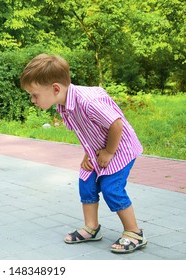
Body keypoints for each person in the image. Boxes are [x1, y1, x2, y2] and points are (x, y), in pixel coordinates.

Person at [20, 53, 147, 253]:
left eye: (34, 95)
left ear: (55, 89)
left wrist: (108, 152)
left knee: (111, 188)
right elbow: (87, 129)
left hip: (120, 149)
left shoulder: (88, 102)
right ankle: (92, 228)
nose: (32, 100)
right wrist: (89, 152)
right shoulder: (63, 103)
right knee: (86, 182)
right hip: (99, 150)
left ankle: (134, 232)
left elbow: (116, 124)